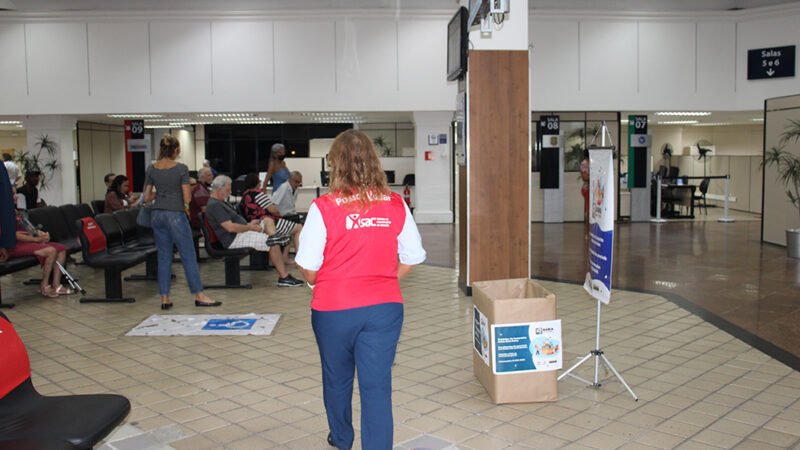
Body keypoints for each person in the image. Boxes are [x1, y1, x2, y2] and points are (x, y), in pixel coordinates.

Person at [295, 129, 426, 450]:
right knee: (377, 386)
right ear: (374, 161)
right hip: (384, 308)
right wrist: (383, 280)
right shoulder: (395, 203)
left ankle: (342, 439)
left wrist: (315, 282)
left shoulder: (323, 207)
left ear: (335, 164)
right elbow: (413, 256)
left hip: (334, 309)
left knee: (337, 379)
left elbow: (309, 267)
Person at [143, 134, 219, 309]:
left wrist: (162, 193)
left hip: (157, 214)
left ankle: (164, 298)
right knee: (188, 255)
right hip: (175, 215)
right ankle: (199, 295)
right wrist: (180, 189)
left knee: (164, 256)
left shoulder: (152, 168)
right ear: (176, 150)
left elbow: (146, 197)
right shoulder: (181, 169)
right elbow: (187, 198)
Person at [205, 175, 303, 287]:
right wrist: (250, 228)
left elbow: (232, 224)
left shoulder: (219, 203)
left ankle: (276, 238)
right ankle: (284, 277)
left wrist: (249, 225)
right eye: (228, 189)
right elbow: (230, 228)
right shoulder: (215, 205)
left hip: (238, 234)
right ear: (220, 188)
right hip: (233, 239)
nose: (230, 192)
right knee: (272, 242)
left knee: (267, 221)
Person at [7, 209, 72, 297]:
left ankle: (56, 285)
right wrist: (36, 239)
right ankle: (44, 285)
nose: (16, 200)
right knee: (51, 251)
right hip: (13, 245)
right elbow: (13, 235)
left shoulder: (16, 212)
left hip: (26, 241)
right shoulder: (4, 212)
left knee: (61, 249)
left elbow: (28, 228)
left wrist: (41, 234)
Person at [239, 172, 302, 264]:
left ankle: (285, 257)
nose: (260, 182)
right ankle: (300, 259)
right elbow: (273, 209)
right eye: (259, 181)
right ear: (256, 183)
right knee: (298, 228)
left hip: (255, 223)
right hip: (267, 222)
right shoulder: (258, 194)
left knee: (288, 230)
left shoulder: (245, 195)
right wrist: (279, 215)